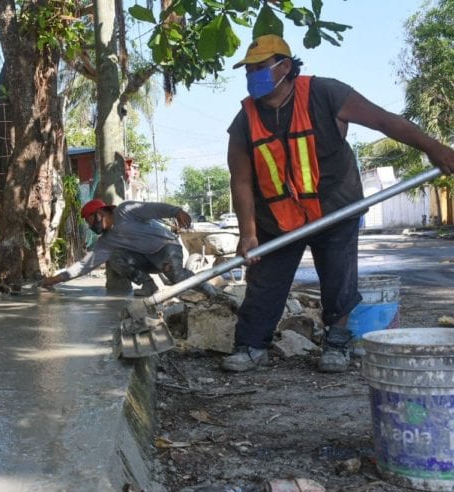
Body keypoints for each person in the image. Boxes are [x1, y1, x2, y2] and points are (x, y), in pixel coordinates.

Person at [222, 34, 454, 373]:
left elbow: (384, 121)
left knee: (339, 278)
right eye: (249, 70)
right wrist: (248, 233)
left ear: (284, 67)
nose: (252, 76)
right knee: (265, 281)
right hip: (278, 217)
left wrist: (433, 147)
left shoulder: (325, 93)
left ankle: (336, 342)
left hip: (335, 207)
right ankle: (251, 346)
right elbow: (240, 180)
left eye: (260, 68)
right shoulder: (245, 119)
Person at [41, 199, 193, 295]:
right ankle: (148, 285)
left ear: (99, 214)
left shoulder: (125, 210)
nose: (89, 226)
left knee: (178, 277)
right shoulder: (106, 241)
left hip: (167, 247)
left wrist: (176, 211)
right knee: (115, 257)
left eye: (89, 221)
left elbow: (154, 208)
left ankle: (212, 292)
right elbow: (84, 266)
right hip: (148, 260)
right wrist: (55, 279)